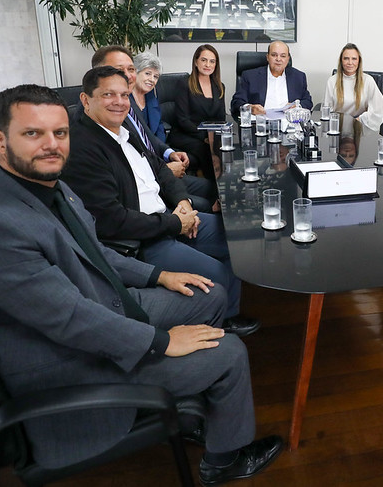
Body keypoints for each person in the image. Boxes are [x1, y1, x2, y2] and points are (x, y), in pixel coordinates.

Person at [0, 84, 282, 485]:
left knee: (206, 292)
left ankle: (187, 407)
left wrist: (161, 276)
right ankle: (223, 462)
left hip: (102, 307)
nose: (51, 145)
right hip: (76, 364)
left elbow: (95, 254)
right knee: (229, 353)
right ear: (0, 140)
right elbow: (70, 320)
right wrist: (161, 341)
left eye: (59, 133)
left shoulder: (51, 188)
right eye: (33, 133)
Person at [61, 66, 254, 336]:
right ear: (85, 100)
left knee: (236, 237)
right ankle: (219, 327)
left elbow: (161, 169)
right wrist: (176, 223)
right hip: (143, 239)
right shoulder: (84, 148)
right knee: (216, 273)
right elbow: (112, 220)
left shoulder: (123, 127)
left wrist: (183, 202)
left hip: (168, 216)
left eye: (124, 95)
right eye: (108, 95)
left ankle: (228, 314)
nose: (119, 102)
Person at [92, 45, 218, 213]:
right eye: (147, 73)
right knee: (208, 206)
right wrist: (164, 169)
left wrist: (169, 153)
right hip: (150, 184)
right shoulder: (114, 111)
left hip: (158, 166)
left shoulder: (139, 101)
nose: (151, 79)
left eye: (130, 69)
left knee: (214, 189)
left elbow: (150, 137)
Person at [169, 44, 227, 181]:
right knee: (206, 150)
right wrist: (204, 137)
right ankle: (214, 190)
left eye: (212, 61)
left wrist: (214, 137)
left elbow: (221, 118)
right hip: (186, 134)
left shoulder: (220, 87)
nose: (208, 65)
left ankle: (225, 184)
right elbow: (182, 119)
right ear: (196, 62)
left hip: (209, 137)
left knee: (226, 149)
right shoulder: (185, 84)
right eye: (204, 60)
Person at [230, 40, 313, 118]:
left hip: (289, 124)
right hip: (260, 124)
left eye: (283, 56)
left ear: (288, 59)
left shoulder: (298, 77)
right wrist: (250, 108)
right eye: (274, 55)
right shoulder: (250, 76)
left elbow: (308, 102)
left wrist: (297, 106)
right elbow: (236, 102)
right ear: (267, 57)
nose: (278, 59)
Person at [323, 43, 383, 132]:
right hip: (338, 128)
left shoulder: (368, 81)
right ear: (341, 61)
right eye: (346, 58)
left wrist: (357, 120)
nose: (350, 62)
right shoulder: (332, 81)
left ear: (359, 61)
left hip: (361, 127)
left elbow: (379, 111)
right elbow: (327, 110)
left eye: (354, 59)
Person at [131, 51, 166, 140]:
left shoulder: (151, 95)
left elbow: (159, 127)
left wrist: (162, 151)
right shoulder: (125, 97)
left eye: (155, 76)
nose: (152, 80)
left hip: (155, 148)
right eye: (147, 73)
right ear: (135, 72)